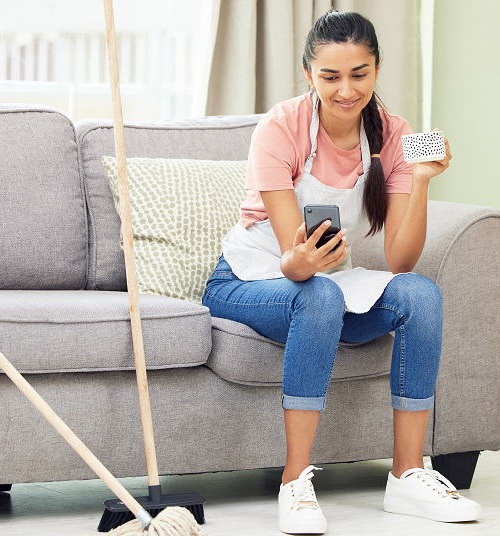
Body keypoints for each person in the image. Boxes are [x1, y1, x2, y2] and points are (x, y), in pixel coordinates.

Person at [202, 9, 480, 534]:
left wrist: (420, 180)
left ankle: (408, 474)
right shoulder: (279, 127)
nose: (346, 90)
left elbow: (400, 261)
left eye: (359, 74)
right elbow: (291, 258)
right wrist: (304, 262)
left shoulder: (396, 136)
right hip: (249, 278)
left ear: (377, 70)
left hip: (326, 280)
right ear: (309, 75)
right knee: (320, 296)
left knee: (420, 295)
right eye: (330, 76)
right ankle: (294, 481)